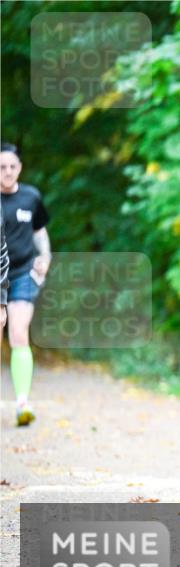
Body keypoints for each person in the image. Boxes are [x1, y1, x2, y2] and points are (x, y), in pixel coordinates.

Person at [1, 143, 51, 427]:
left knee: (18, 334)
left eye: (12, 166)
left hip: (21, 273)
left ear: (19, 168)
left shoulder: (31, 197)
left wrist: (44, 256)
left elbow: (40, 232)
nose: (7, 172)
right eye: (1, 167)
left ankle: (22, 403)